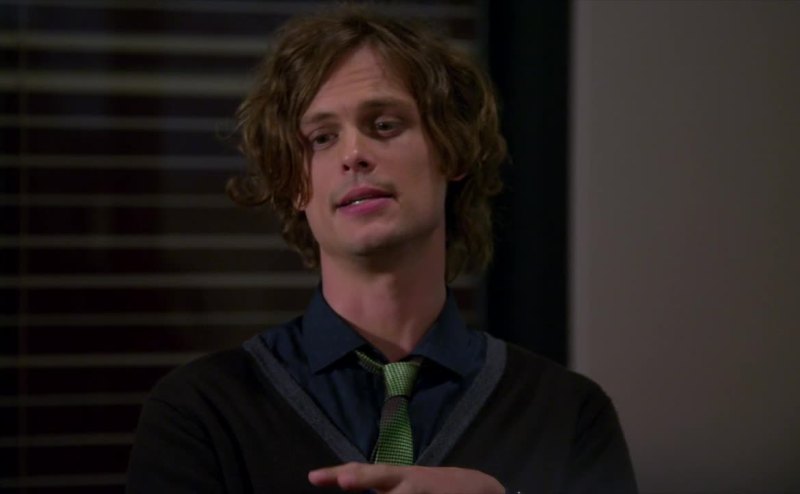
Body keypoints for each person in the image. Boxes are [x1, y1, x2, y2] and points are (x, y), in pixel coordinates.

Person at [126, 7, 637, 494]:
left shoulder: (569, 413)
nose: (353, 154)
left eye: (384, 125)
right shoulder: (200, 414)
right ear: (295, 186)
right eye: (321, 138)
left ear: (452, 151)